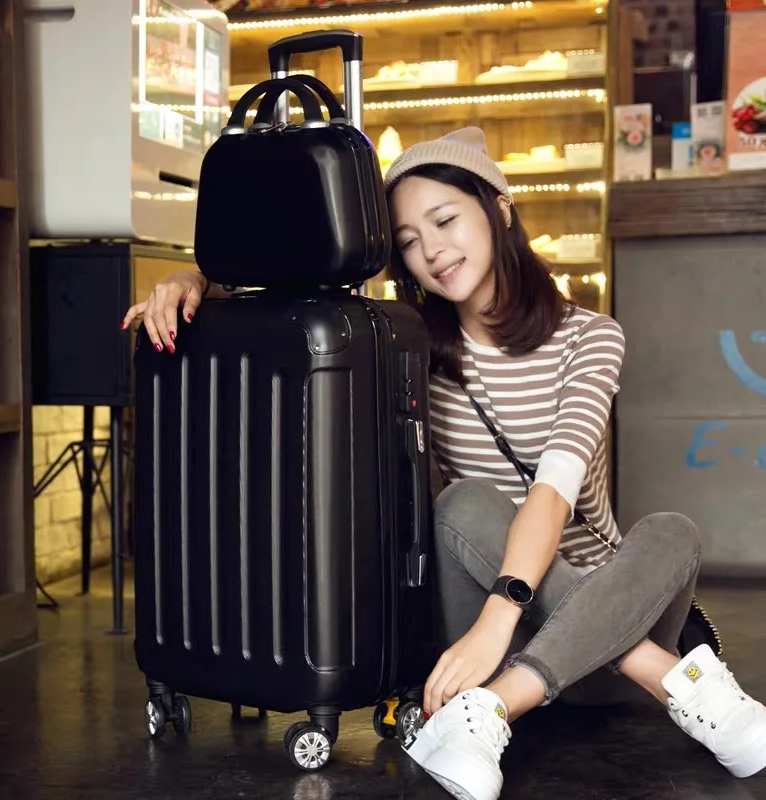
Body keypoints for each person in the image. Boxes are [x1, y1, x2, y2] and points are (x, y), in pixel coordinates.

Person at [122, 127, 766, 800]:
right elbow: (296, 274)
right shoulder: (409, 345)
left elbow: (553, 492)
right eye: (408, 240)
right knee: (465, 503)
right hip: (486, 639)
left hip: (587, 639)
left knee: (671, 531)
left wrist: (503, 614)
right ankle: (678, 682)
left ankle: (490, 711)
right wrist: (194, 278)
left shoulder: (592, 337)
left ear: (499, 208)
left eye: (445, 220)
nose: (431, 250)